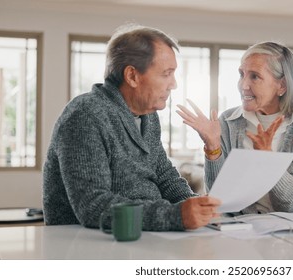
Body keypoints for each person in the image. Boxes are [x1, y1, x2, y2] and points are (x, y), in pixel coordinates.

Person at [43, 23, 220, 231]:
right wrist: (175, 216)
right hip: (89, 244)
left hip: (141, 238)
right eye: (166, 74)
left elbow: (164, 175)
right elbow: (93, 206)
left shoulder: (148, 116)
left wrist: (195, 205)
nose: (174, 84)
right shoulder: (85, 115)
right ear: (132, 76)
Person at [177, 41, 293, 214]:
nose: (243, 85)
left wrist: (268, 159)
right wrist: (213, 148)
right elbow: (218, 200)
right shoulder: (228, 122)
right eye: (241, 74)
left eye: (254, 76)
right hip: (243, 230)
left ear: (282, 85)